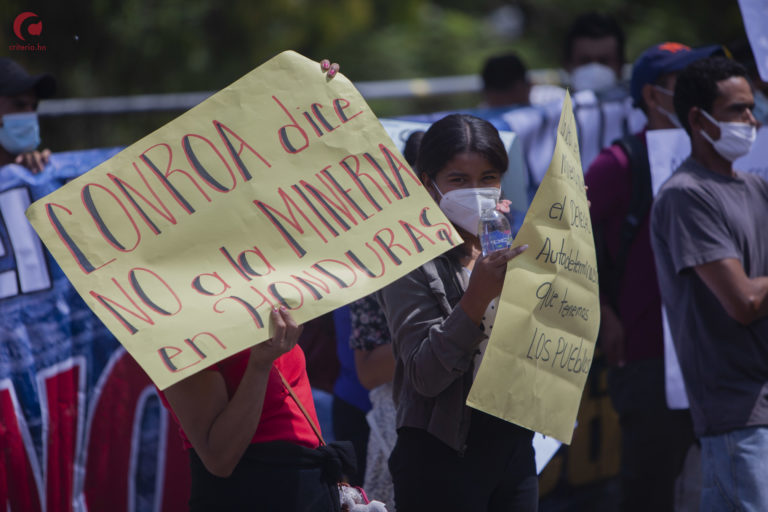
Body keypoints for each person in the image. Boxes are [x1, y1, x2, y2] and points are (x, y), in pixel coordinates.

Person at [157, 60, 355, 512]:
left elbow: (306, 179)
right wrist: (260, 366)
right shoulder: (170, 317)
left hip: (309, 487)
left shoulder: (259, 279)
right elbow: (219, 458)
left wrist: (313, 96)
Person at [585, 42, 720, 512]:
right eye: (686, 81)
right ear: (652, 95)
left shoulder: (727, 157)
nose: (705, 89)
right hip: (647, 359)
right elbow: (561, 241)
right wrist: (601, 310)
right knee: (650, 490)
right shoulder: (617, 165)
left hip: (725, 357)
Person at [378, 113, 536, 512]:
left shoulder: (505, 241)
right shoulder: (409, 259)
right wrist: (475, 298)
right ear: (427, 183)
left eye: (487, 178)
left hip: (512, 446)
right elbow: (424, 376)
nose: (477, 192)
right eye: (458, 180)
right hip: (443, 454)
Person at [651, 56, 768, 511]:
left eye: (752, 107)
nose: (751, 120)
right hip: (736, 416)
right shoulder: (686, 195)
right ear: (698, 119)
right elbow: (743, 301)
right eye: (737, 110)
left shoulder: (756, 189)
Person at [0, 57, 56, 173]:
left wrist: (42, 174)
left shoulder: (33, 171)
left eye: (34, 106)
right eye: (19, 105)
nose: (30, 114)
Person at [562, 12, 625, 95]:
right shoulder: (553, 107)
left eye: (603, 61)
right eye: (585, 61)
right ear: (567, 65)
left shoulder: (638, 107)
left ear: (621, 66)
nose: (595, 69)